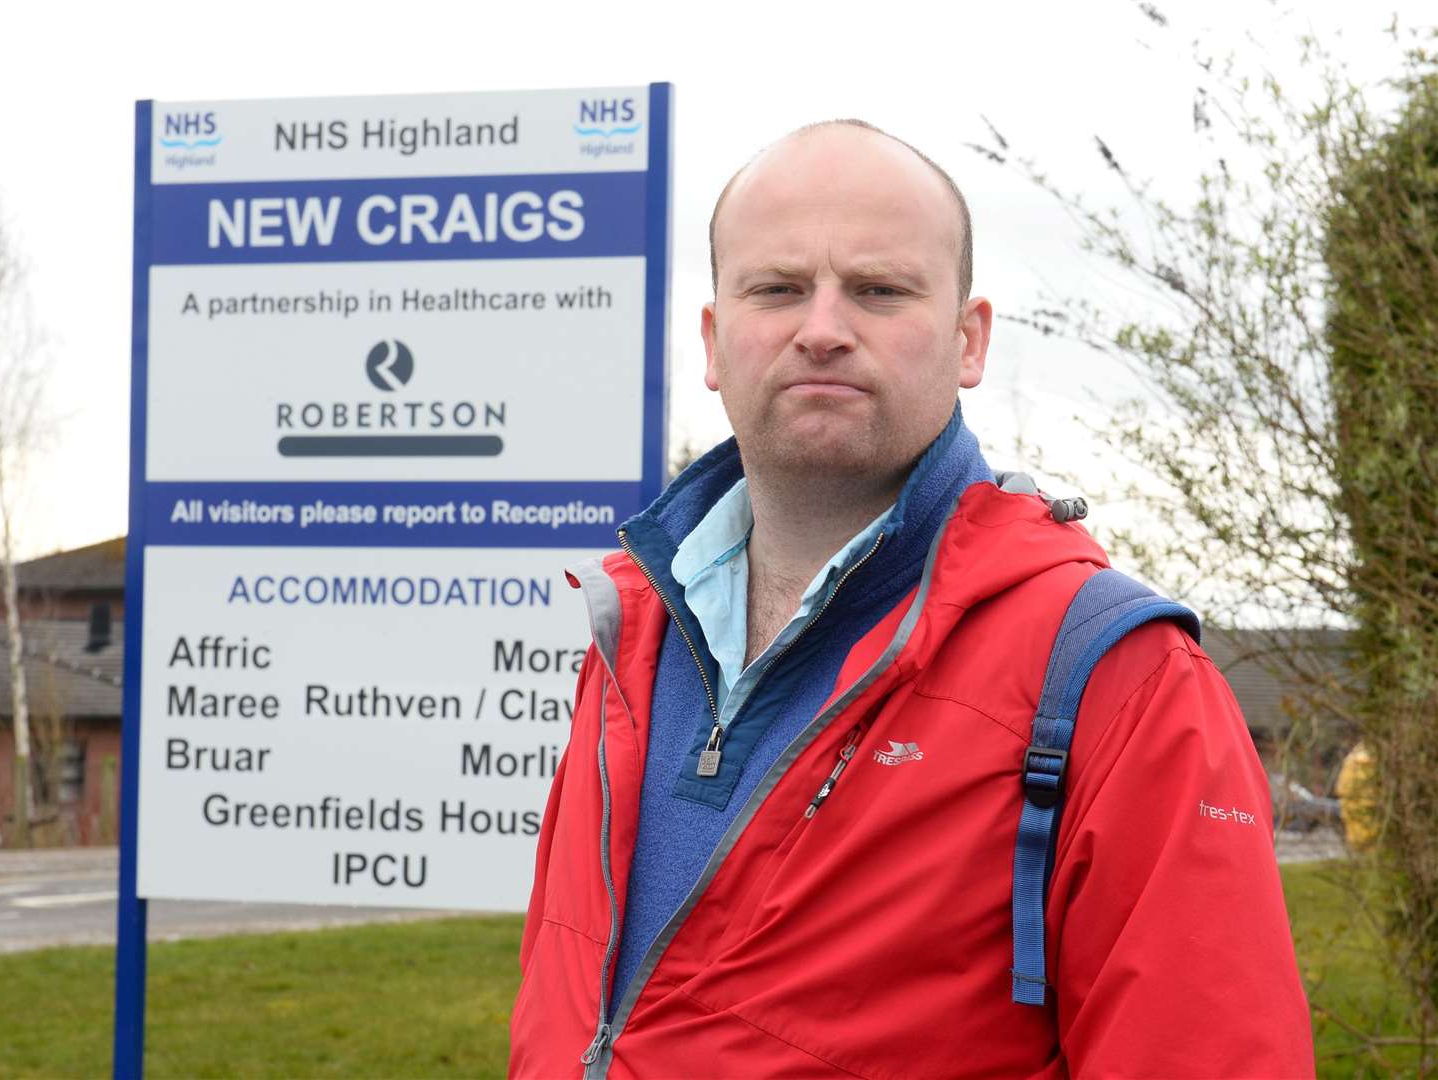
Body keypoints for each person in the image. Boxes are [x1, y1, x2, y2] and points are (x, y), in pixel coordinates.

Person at [509, 120, 1314, 1078]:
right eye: (776, 289)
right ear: (716, 343)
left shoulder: (1119, 681)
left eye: (879, 290)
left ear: (969, 341)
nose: (820, 327)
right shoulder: (627, 633)